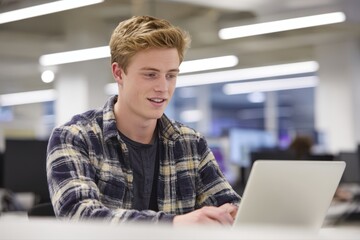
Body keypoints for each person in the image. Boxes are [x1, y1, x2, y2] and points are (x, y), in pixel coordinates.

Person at [47, 15, 240, 225]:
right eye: (150, 75)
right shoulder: (75, 138)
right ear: (119, 73)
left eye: (171, 75)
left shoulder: (191, 144)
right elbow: (79, 217)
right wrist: (174, 225)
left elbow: (231, 208)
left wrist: (235, 215)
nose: (163, 88)